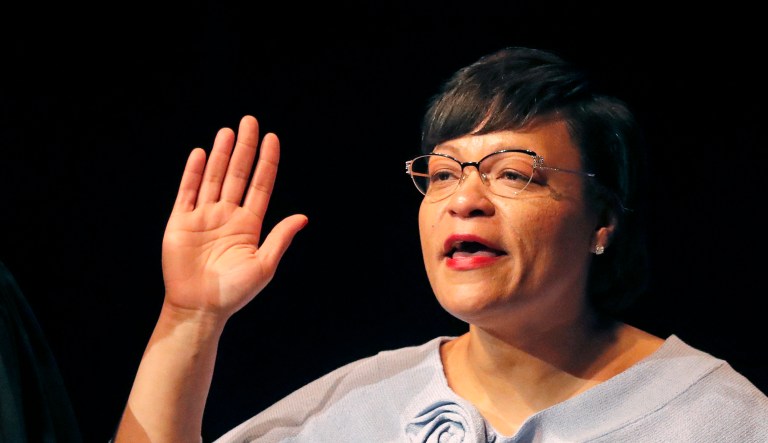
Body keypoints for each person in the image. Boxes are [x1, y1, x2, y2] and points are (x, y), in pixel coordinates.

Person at [113, 46, 768, 442]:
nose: (464, 199)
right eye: (444, 174)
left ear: (603, 219)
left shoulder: (716, 417)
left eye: (513, 173)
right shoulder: (358, 404)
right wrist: (190, 318)